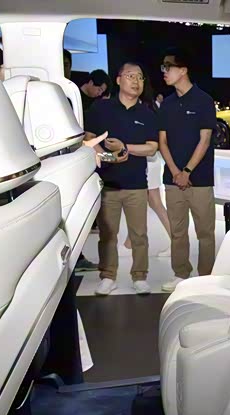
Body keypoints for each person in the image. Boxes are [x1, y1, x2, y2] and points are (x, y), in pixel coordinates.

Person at [84, 62, 159, 296]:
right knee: (108, 235)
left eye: (140, 77)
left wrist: (124, 148)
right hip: (108, 184)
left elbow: (152, 148)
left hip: (136, 184)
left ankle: (140, 276)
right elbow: (89, 141)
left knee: (139, 234)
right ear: (118, 80)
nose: (136, 81)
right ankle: (108, 276)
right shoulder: (101, 108)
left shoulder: (147, 113)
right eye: (130, 76)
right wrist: (110, 157)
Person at [157, 48, 217, 293]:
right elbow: (162, 142)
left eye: (168, 67)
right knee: (178, 231)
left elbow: (205, 140)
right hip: (173, 179)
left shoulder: (204, 100)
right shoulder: (167, 104)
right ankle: (180, 273)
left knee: (205, 232)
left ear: (183, 70)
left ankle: (206, 277)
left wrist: (187, 171)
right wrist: (176, 172)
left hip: (199, 179)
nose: (164, 72)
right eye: (163, 67)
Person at [123, 82, 172, 257]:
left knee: (154, 203)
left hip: (148, 162)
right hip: (148, 162)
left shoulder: (144, 112)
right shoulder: (149, 109)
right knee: (144, 203)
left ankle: (177, 242)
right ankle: (129, 243)